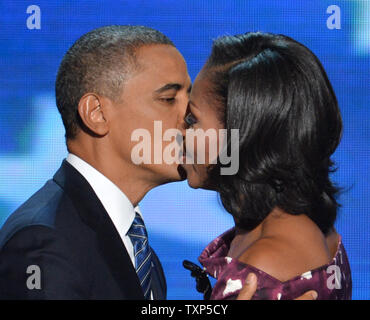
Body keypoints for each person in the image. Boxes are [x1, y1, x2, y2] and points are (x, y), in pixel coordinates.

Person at [0, 25, 316, 300]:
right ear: (96, 114)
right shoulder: (44, 243)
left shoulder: (137, 248)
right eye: (168, 99)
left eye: (190, 101)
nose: (189, 116)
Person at [180, 32, 352, 300]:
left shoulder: (258, 268)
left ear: (242, 137)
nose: (180, 131)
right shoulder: (316, 231)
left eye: (192, 119)